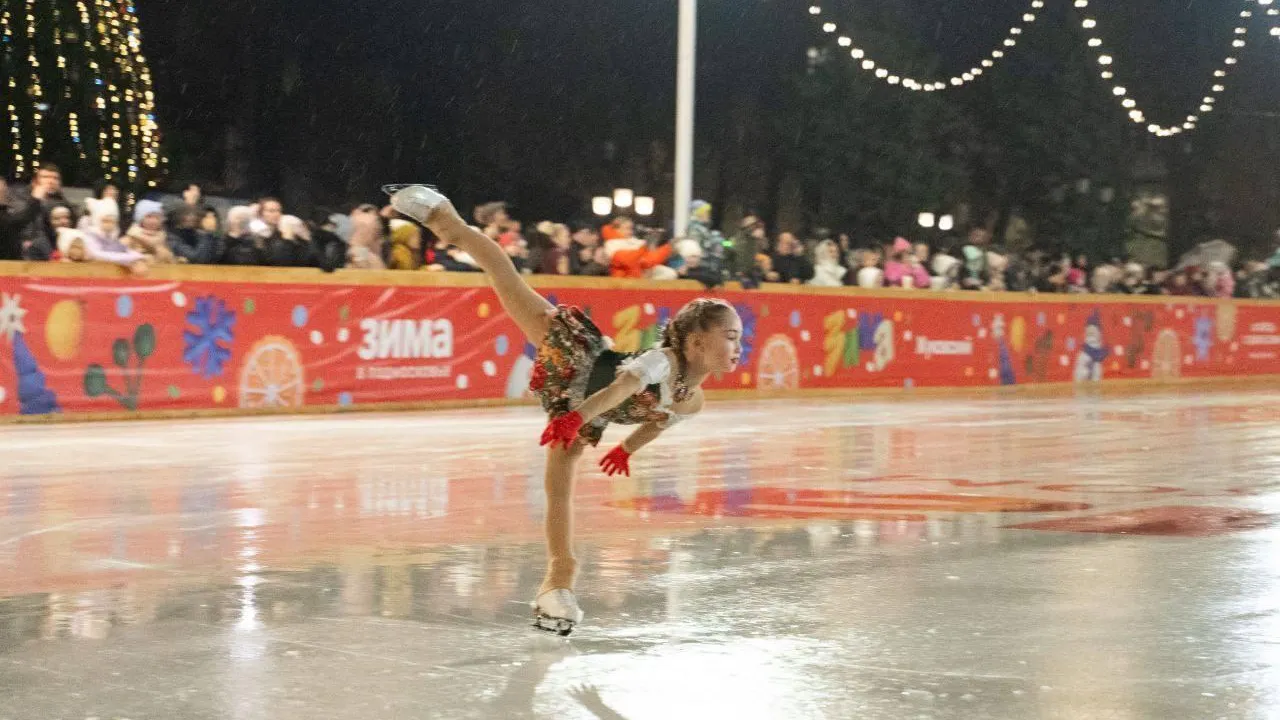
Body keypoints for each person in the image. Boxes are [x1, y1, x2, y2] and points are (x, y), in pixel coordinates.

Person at [385, 184, 743, 636]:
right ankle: (443, 217)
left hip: (588, 412)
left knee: (560, 493)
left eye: (739, 337)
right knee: (503, 273)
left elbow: (660, 421)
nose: (738, 346)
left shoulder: (695, 398)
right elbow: (623, 386)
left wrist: (627, 450)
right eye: (730, 336)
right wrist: (575, 418)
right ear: (696, 342)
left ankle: (557, 588)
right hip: (578, 360)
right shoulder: (661, 362)